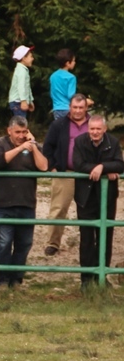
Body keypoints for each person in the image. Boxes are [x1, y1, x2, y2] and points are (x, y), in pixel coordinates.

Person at [0, 116, 48, 288]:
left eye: (24, 132)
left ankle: (16, 280)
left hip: (27, 203)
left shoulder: (33, 146)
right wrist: (20, 148)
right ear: (9, 131)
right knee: (3, 244)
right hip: (4, 204)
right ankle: (1, 280)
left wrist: (33, 146)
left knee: (24, 244)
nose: (21, 135)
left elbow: (44, 166)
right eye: (18, 132)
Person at [72, 115, 123, 289]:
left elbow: (120, 164)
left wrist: (103, 167)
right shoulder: (80, 141)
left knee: (105, 237)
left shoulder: (113, 142)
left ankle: (102, 277)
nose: (95, 132)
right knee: (86, 239)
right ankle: (86, 280)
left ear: (104, 129)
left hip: (107, 197)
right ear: (88, 129)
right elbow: (78, 164)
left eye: (98, 129)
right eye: (92, 129)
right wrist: (100, 168)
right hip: (85, 198)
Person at [41, 93, 90, 256]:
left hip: (88, 175)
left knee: (89, 210)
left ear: (86, 108)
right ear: (70, 107)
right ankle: (53, 243)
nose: (77, 111)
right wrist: (53, 167)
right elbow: (47, 146)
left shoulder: (93, 124)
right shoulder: (59, 124)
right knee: (58, 209)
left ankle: (89, 243)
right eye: (75, 107)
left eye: (81, 107)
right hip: (64, 172)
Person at [49, 49, 78, 121]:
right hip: (68, 108)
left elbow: (52, 94)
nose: (75, 63)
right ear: (68, 63)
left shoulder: (53, 76)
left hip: (56, 108)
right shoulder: (71, 77)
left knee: (60, 130)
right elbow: (71, 96)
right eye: (73, 61)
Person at [8, 45, 34, 118]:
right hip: (17, 102)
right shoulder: (21, 71)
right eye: (31, 56)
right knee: (21, 124)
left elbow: (27, 88)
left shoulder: (23, 70)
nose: (32, 59)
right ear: (24, 58)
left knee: (21, 123)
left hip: (20, 101)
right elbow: (21, 86)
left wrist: (30, 101)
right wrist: (23, 101)